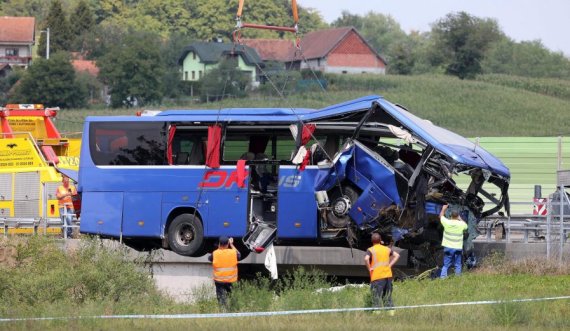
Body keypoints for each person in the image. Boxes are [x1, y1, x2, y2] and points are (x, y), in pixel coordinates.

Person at [364, 233, 400, 315]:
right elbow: (397, 255)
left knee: (376, 296)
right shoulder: (386, 249)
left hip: (377, 276)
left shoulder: (371, 249)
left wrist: (369, 268)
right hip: (388, 275)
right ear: (380, 240)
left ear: (372, 241)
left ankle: (377, 314)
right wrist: (390, 265)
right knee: (387, 296)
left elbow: (366, 259)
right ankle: (391, 314)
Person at [208, 236, 240, 311]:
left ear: (219, 244)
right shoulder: (233, 253)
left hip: (219, 281)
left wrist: (219, 248)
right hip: (231, 280)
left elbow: (210, 258)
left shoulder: (215, 253)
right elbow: (239, 255)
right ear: (228, 243)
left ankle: (223, 311)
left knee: (221, 298)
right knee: (233, 297)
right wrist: (231, 245)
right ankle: (234, 311)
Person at [439, 204, 468, 278]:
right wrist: (460, 218)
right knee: (458, 264)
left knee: (446, 265)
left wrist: (443, 209)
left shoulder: (447, 222)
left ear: (450, 216)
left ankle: (442, 278)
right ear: (457, 216)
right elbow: (466, 226)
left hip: (448, 248)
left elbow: (441, 217)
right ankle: (457, 278)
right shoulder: (461, 224)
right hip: (457, 248)